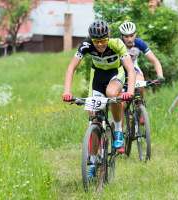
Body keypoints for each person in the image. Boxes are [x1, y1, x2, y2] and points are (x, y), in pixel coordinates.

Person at [62, 20, 136, 176]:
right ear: (92, 39)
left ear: (108, 36)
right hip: (97, 78)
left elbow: (130, 69)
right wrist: (67, 91)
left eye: (103, 40)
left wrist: (129, 91)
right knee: (93, 117)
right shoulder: (86, 45)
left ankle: (117, 130)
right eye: (97, 41)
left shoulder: (116, 44)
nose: (101, 44)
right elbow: (71, 68)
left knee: (111, 94)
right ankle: (94, 161)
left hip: (116, 75)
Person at [119, 21, 165, 86]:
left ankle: (140, 96)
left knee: (140, 83)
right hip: (120, 68)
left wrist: (160, 76)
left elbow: (155, 61)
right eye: (126, 37)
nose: (129, 39)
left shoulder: (139, 43)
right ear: (121, 36)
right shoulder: (118, 44)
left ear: (135, 34)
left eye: (131, 36)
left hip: (133, 67)